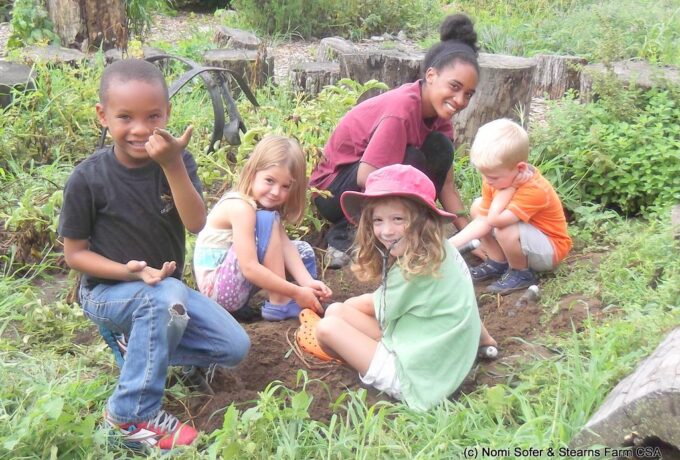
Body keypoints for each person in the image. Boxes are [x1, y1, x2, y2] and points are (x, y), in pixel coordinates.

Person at [58, 59, 250, 451]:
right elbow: (75, 255)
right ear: (102, 116)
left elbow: (197, 223)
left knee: (234, 347)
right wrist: (127, 272)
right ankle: (131, 415)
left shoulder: (176, 162)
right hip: (108, 292)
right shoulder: (88, 178)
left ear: (168, 115)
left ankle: (142, 345)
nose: (141, 129)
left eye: (153, 116)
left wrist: (172, 164)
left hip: (166, 292)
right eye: (125, 117)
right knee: (164, 299)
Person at [313, 164, 495, 411]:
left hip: (421, 379)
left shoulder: (413, 271)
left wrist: (341, 307)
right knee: (337, 312)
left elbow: (371, 305)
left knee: (327, 326)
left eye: (398, 219)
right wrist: (485, 341)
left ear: (422, 221)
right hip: (444, 357)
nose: (386, 231)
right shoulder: (443, 250)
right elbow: (470, 305)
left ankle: (364, 374)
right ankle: (360, 353)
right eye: (378, 220)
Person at [310, 13, 481, 269]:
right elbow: (367, 176)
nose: (460, 100)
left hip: (372, 182)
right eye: (454, 87)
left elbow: (446, 185)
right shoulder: (401, 110)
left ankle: (399, 228)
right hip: (333, 191)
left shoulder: (440, 117)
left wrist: (471, 234)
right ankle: (345, 237)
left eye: (467, 94)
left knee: (439, 150)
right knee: (409, 164)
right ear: (431, 76)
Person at [193, 134, 332, 321]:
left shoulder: (259, 209)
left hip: (233, 284)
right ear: (252, 173)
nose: (276, 192)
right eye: (269, 180)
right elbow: (249, 268)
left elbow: (284, 245)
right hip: (218, 292)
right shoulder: (241, 207)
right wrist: (296, 291)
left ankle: (304, 297)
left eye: (285, 186)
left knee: (302, 252)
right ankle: (280, 302)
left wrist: (308, 283)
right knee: (266, 221)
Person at [449, 118, 572, 294]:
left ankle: (521, 273)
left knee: (504, 229)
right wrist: (449, 244)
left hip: (549, 251)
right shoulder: (495, 179)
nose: (488, 181)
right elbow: (484, 219)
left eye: (493, 177)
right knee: (478, 207)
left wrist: (509, 190)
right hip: (526, 241)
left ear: (519, 168)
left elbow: (495, 220)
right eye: (484, 175)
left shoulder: (534, 190)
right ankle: (497, 261)